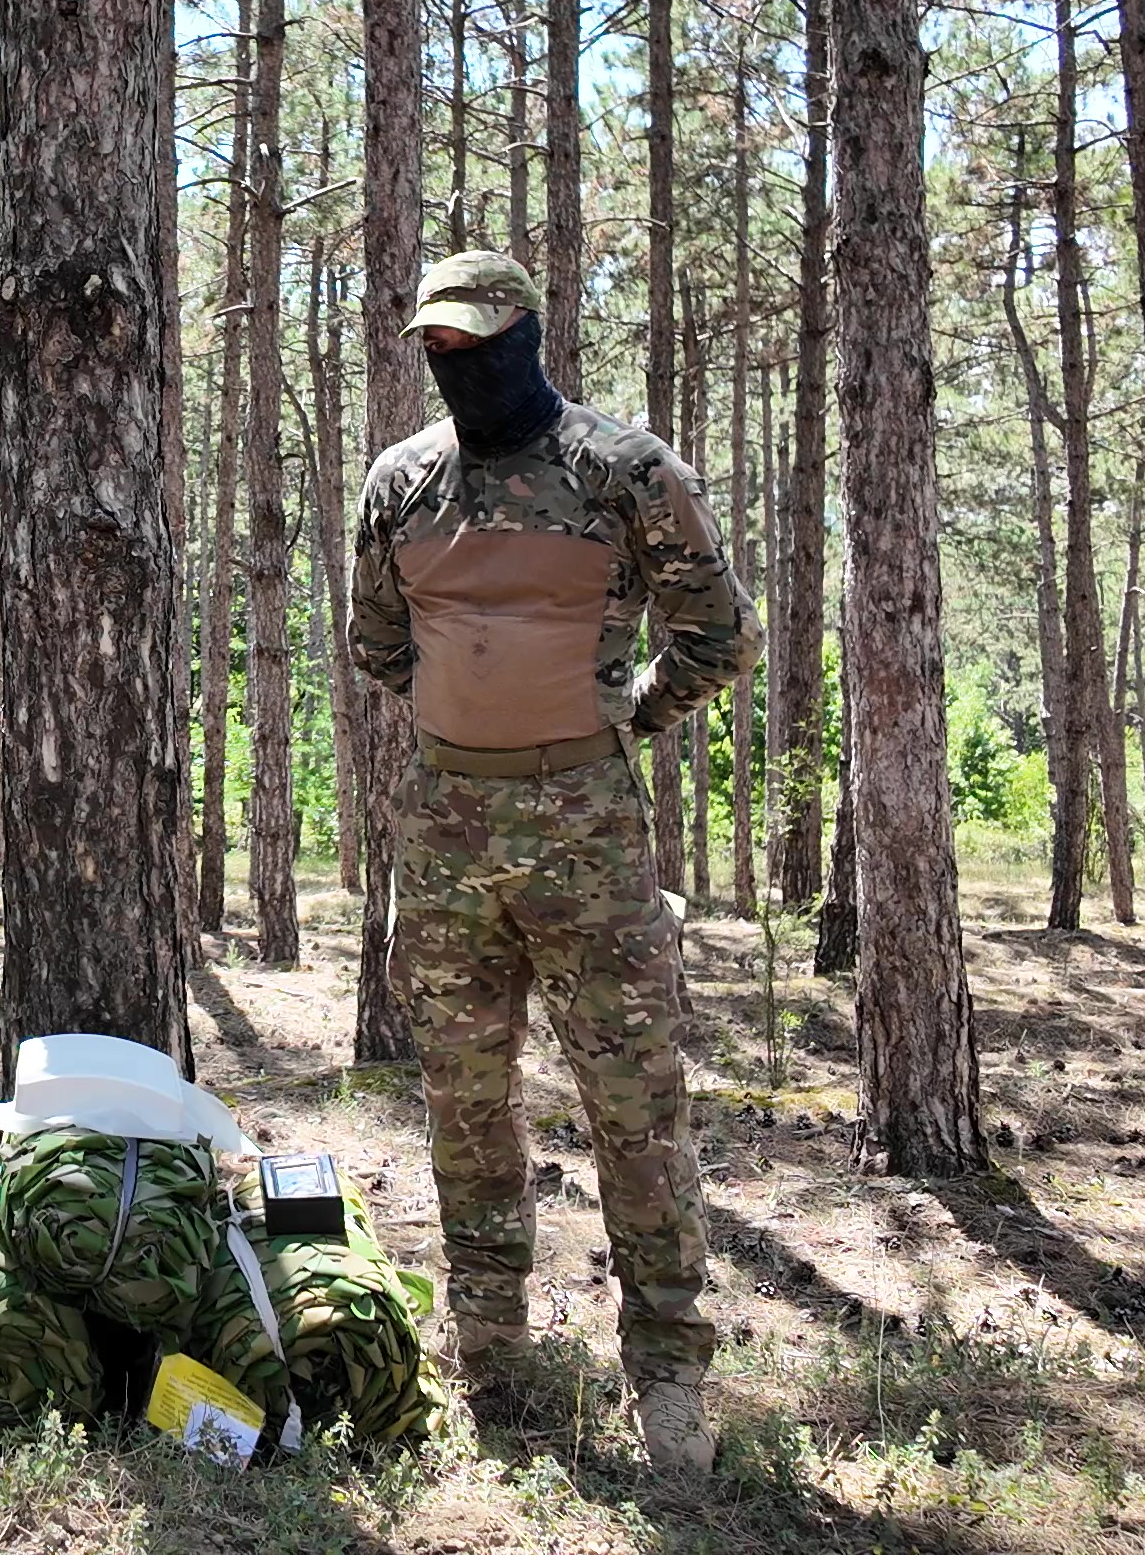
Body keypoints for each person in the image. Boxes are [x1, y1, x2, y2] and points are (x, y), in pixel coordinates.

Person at [347, 250, 749, 1476]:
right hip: (446, 830)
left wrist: (624, 717)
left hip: (588, 838)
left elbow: (718, 636)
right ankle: (491, 1356)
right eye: (438, 347)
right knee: (467, 1108)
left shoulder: (625, 471)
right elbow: (378, 644)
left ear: (531, 330)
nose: (459, 361)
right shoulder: (403, 483)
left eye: (479, 338)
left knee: (634, 1106)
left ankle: (669, 1374)